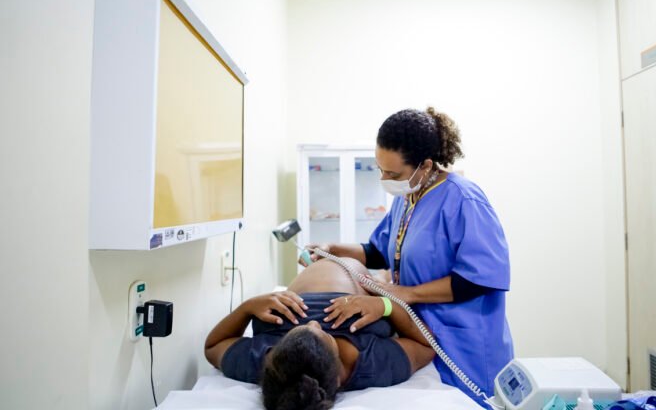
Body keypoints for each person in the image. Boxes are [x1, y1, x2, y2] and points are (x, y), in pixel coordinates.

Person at [300, 107, 513, 407]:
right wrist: (333, 249)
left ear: (425, 165)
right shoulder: (407, 199)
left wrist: (404, 294)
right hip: (420, 337)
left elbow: (479, 280)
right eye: (380, 169)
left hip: (465, 345)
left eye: (393, 174)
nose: (384, 178)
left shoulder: (464, 200)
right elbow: (380, 251)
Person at [205, 256, 435, 410]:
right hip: (363, 283)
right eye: (323, 334)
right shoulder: (372, 362)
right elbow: (426, 345)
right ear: (338, 377)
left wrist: (247, 308)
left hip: (317, 267)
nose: (315, 323)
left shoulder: (271, 364)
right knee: (381, 280)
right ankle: (383, 277)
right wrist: (385, 305)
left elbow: (213, 346)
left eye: (297, 330)